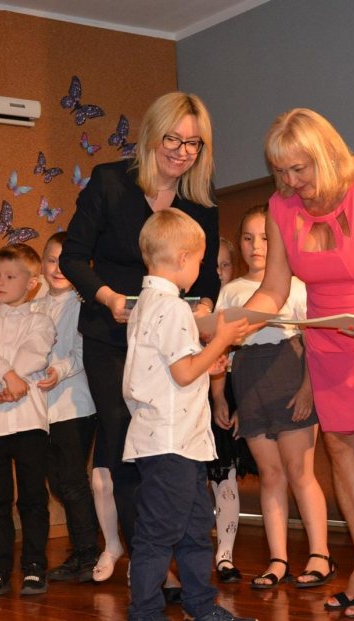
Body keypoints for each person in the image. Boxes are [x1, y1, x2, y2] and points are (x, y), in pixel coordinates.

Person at [244, 108, 354, 619]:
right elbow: (273, 289)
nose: (289, 181)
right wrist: (234, 323)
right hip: (327, 329)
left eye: (298, 169)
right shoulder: (281, 207)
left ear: (324, 156)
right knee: (339, 443)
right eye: (280, 171)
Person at [61, 92, 220, 589]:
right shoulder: (109, 181)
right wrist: (108, 297)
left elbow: (208, 278)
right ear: (152, 134)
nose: (182, 152)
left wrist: (204, 311)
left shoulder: (201, 200)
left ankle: (164, 560)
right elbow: (72, 258)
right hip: (111, 337)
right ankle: (150, 567)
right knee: (126, 444)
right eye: (173, 139)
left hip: (172, 340)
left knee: (172, 452)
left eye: (193, 144)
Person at [122, 208, 253, 621]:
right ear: (183, 258)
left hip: (179, 440)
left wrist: (207, 360)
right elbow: (183, 373)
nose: (200, 270)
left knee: (196, 527)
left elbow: (171, 368)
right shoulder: (174, 308)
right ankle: (145, 612)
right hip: (171, 440)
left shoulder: (145, 304)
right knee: (159, 533)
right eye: (199, 261)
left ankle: (200, 605)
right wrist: (222, 340)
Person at [212, 206, 332, 590]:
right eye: (248, 238)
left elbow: (315, 343)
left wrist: (308, 389)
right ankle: (278, 559)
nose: (256, 246)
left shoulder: (296, 286)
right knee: (271, 475)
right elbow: (221, 351)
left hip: (290, 379)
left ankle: (320, 555)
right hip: (250, 387)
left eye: (265, 237)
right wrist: (221, 397)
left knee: (300, 472)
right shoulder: (231, 290)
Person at [0, 243, 56, 597]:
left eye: (9, 276)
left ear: (32, 282)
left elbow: (36, 351)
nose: (0, 283)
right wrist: (10, 378)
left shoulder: (41, 320)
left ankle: (34, 566)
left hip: (30, 420)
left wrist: (12, 381)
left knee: (33, 497)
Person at [32, 232, 101, 583]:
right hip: (42, 409)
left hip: (75, 405)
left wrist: (57, 371)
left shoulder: (82, 303)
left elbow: (81, 351)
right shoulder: (34, 305)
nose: (58, 268)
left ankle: (88, 554)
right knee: (57, 482)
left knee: (72, 481)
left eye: (65, 261)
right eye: (51, 260)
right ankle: (82, 550)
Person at [208, 236, 257, 584]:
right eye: (212, 267)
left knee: (225, 474)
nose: (219, 273)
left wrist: (231, 399)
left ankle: (224, 554)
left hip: (229, 394)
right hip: (192, 397)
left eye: (225, 265)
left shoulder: (237, 304)